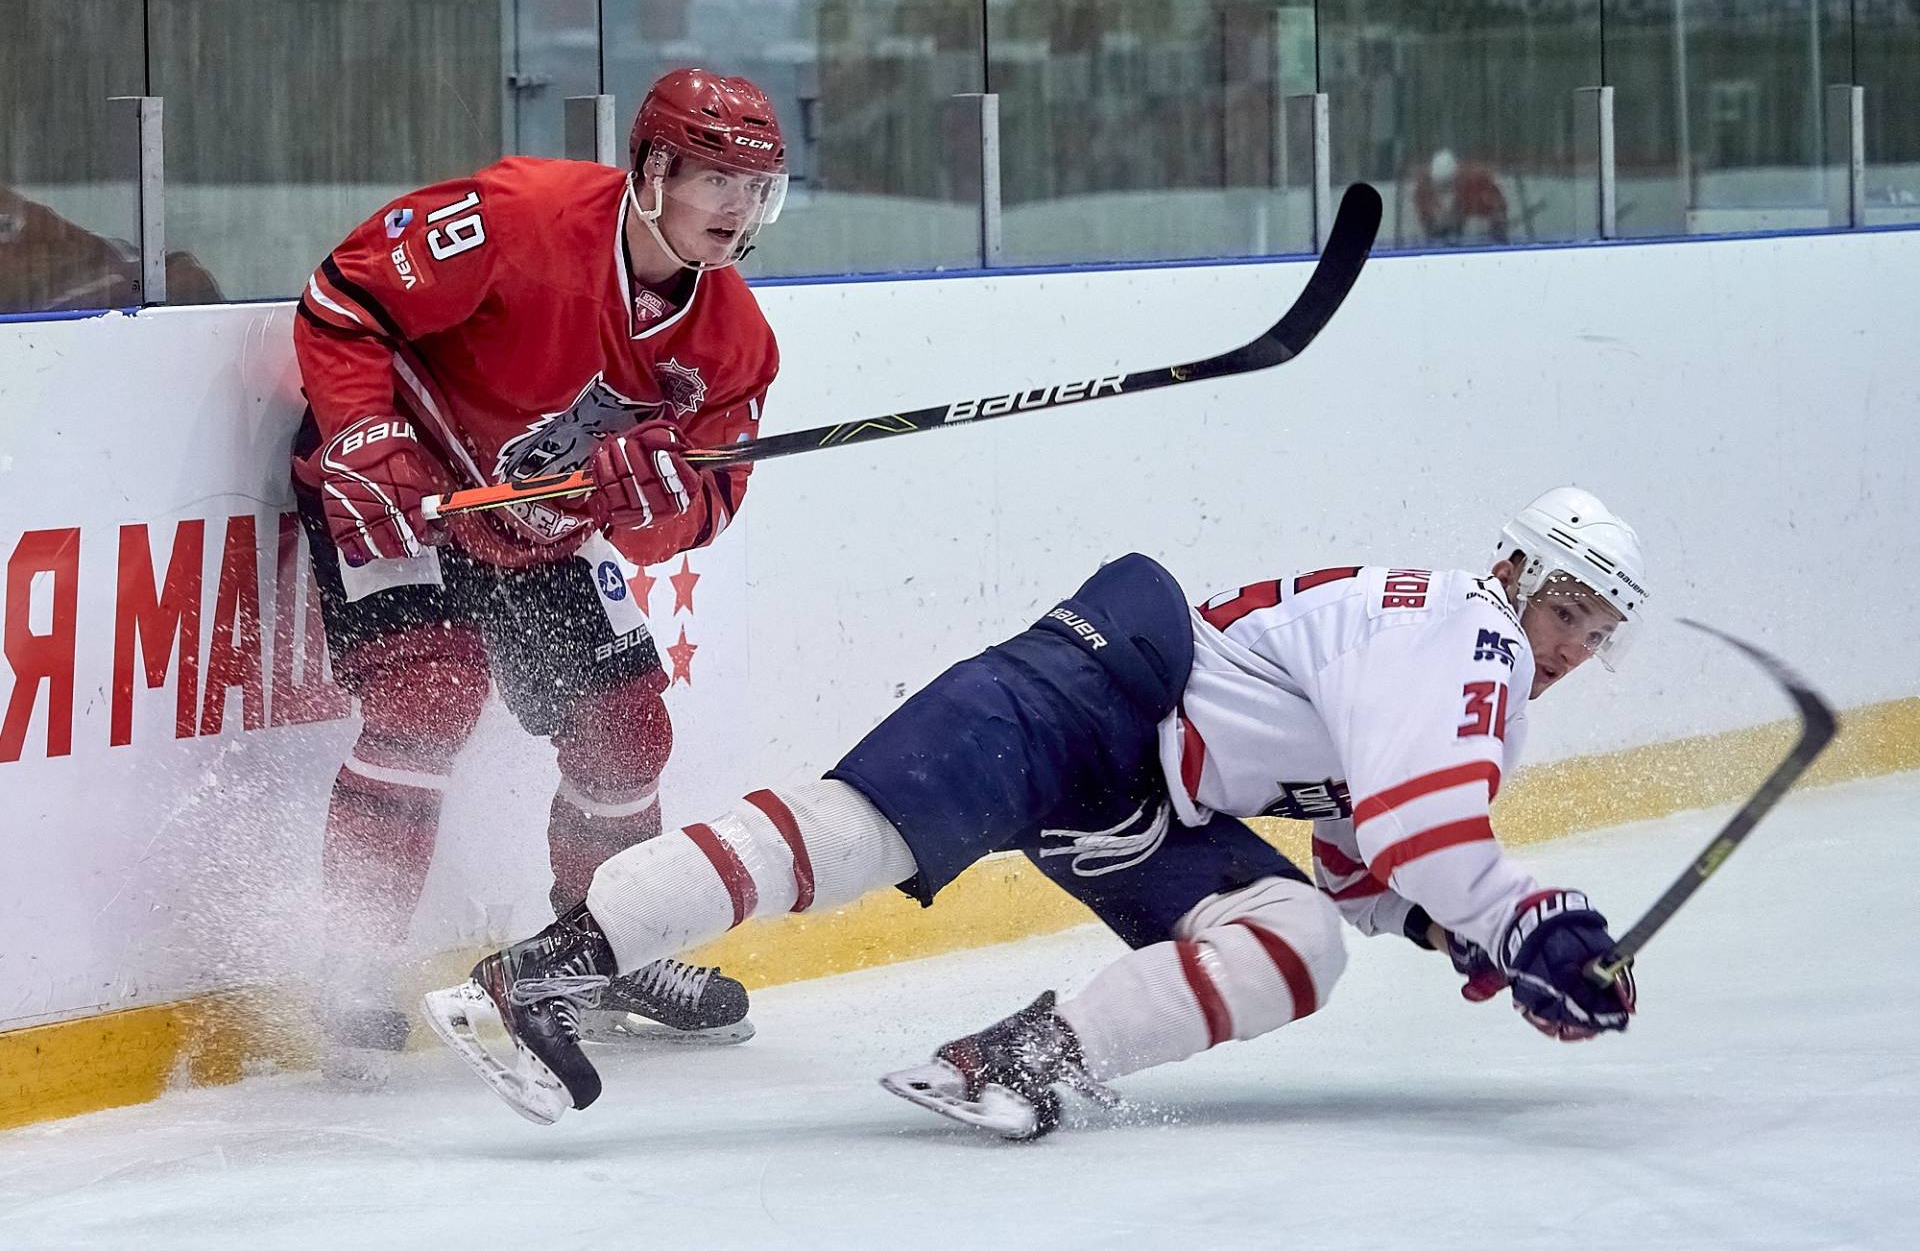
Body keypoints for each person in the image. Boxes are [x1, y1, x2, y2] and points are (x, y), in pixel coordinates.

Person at [423, 487, 1646, 1134]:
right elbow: (1424, 833)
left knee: (1301, 937)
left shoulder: (1468, 663)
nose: (1574, 645)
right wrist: (1533, 923)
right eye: (1567, 611)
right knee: (856, 831)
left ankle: (1025, 1060)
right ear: (1517, 572)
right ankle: (547, 969)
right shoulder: (1467, 630)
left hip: (1148, 794)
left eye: (1598, 631)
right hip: (1100, 686)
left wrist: (1462, 931)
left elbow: (1363, 860)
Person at [291, 68, 788, 1067]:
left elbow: (701, 515)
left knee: (629, 727)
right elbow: (344, 300)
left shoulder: (734, 345)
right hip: (410, 487)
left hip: (538, 529)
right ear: (652, 169)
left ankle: (595, 953)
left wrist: (654, 507)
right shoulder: (523, 215)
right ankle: (347, 964)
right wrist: (362, 431)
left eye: (757, 188)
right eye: (716, 181)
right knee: (428, 698)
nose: (739, 212)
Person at [1414, 148, 1510, 246]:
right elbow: (1427, 223)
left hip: (1482, 242)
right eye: (1440, 186)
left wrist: (1487, 225)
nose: (1444, 189)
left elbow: (1498, 213)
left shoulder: (1478, 184)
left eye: (1448, 184)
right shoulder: (1423, 192)